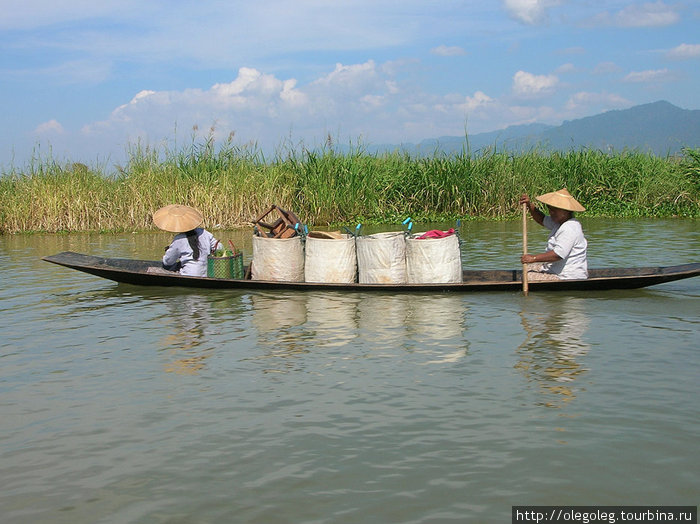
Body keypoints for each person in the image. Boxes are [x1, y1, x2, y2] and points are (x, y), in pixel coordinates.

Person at [519, 188, 588, 280]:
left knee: (526, 276)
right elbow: (541, 219)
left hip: (567, 276)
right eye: (550, 209)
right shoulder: (559, 222)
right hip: (555, 269)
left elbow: (558, 254)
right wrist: (529, 205)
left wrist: (533, 258)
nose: (551, 213)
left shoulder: (570, 228)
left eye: (554, 210)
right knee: (526, 268)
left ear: (565, 211)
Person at [153, 204, 219, 277]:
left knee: (156, 270)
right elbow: (219, 247)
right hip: (208, 273)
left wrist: (170, 250)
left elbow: (168, 262)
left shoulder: (178, 239)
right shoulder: (204, 232)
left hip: (189, 274)